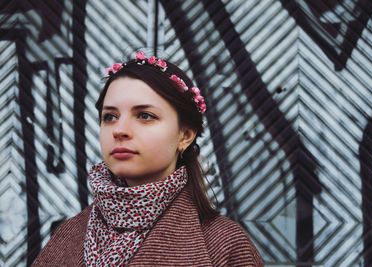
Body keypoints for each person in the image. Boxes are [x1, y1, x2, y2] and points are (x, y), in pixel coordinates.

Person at [32, 51, 263, 266]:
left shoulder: (225, 245)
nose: (119, 130)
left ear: (185, 136)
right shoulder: (68, 236)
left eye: (145, 115)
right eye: (110, 116)